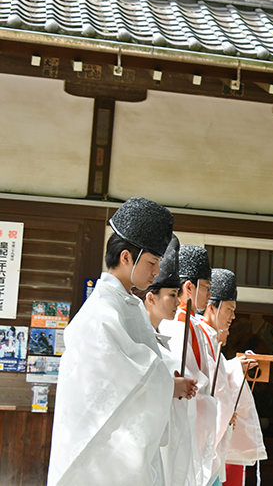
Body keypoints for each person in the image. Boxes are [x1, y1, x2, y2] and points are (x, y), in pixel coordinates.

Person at [48, 197, 195, 486]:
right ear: (127, 257)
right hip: (100, 455)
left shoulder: (129, 306)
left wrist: (165, 382)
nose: (156, 272)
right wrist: (168, 384)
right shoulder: (100, 313)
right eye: (153, 262)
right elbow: (131, 377)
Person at [137, 234, 199, 486]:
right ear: (150, 297)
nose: (177, 302)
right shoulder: (136, 337)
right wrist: (170, 387)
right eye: (172, 295)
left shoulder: (158, 338)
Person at [199, 268, 267, 486]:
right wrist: (236, 367)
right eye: (230, 309)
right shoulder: (198, 336)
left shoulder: (208, 338)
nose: (233, 317)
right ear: (212, 307)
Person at [159, 244, 218, 486]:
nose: (208, 294)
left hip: (193, 419)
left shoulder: (193, 325)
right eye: (205, 287)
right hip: (183, 420)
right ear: (189, 287)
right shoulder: (178, 325)